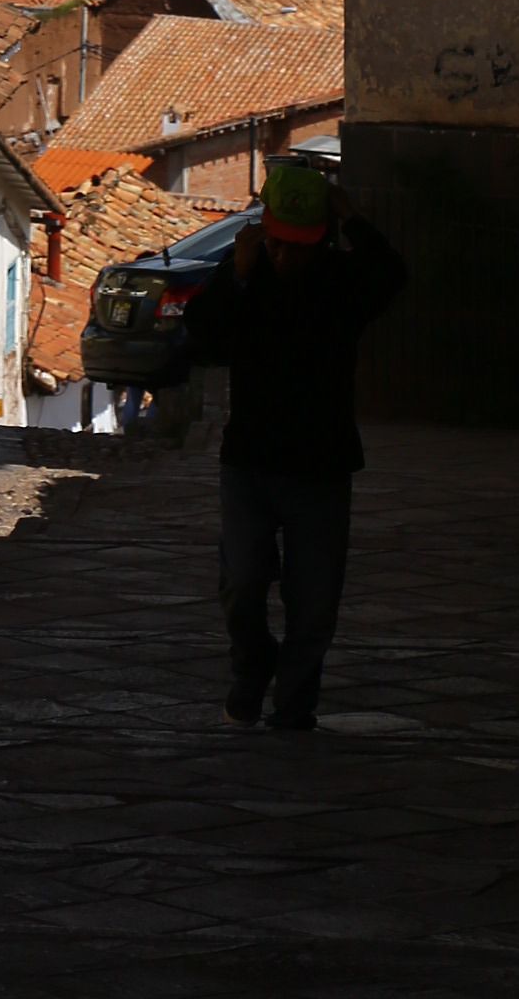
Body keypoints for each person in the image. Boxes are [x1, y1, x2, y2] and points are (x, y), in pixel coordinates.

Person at [181, 154, 405, 733]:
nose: (288, 256)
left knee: (315, 602)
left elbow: (392, 274)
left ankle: (294, 705)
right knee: (243, 585)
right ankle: (252, 668)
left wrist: (352, 216)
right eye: (278, 244)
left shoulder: (342, 287)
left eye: (300, 245)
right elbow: (202, 333)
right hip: (249, 462)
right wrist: (235, 272)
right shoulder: (246, 282)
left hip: (321, 466)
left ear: (323, 239)